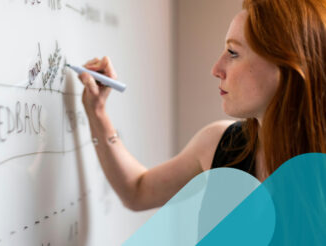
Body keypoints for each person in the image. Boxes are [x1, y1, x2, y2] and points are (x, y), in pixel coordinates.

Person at [77, 0, 326, 211]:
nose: (216, 69)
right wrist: (97, 112)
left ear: (286, 67)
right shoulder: (220, 144)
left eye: (233, 52)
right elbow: (137, 191)